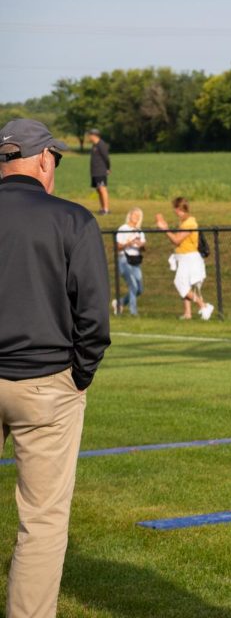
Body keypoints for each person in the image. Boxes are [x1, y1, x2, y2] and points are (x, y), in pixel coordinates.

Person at [0, 119, 109, 618]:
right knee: (41, 522)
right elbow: (93, 315)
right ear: (44, 159)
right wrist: (78, 374)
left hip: (40, 375)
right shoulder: (71, 219)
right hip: (45, 382)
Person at [156, 197, 213, 320]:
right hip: (183, 258)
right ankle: (188, 313)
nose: (174, 212)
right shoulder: (183, 222)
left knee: (180, 283)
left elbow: (177, 240)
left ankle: (203, 305)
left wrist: (165, 229)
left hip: (190, 258)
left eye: (175, 209)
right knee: (185, 285)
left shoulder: (190, 223)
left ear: (178, 209)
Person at [113, 207, 147, 316]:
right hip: (124, 260)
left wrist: (141, 245)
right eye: (134, 215)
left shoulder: (139, 231)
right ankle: (133, 312)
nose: (136, 217)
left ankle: (120, 303)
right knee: (133, 286)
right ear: (130, 215)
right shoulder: (123, 228)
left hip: (135, 260)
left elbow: (143, 248)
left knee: (139, 289)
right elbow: (118, 247)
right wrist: (129, 243)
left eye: (138, 216)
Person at [86, 128, 110, 215]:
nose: (89, 136)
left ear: (94, 135)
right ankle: (102, 208)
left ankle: (106, 209)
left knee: (102, 189)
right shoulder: (94, 145)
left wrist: (107, 168)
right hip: (95, 172)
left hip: (101, 171)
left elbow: (106, 158)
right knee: (98, 190)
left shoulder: (101, 144)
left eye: (90, 135)